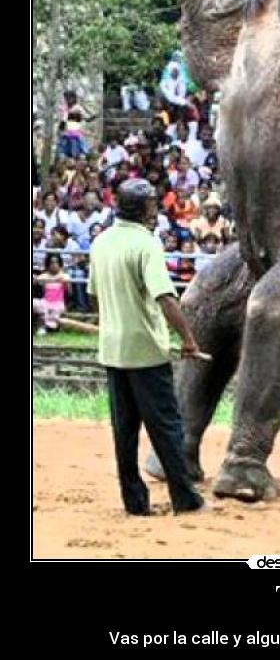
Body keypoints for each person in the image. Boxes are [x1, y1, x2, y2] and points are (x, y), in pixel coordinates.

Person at [87, 179, 209, 516]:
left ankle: (135, 503)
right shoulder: (146, 244)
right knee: (167, 427)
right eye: (153, 203)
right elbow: (165, 297)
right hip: (146, 352)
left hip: (113, 350)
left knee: (124, 431)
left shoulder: (102, 242)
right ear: (143, 209)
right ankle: (185, 499)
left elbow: (97, 295)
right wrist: (188, 339)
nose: (157, 209)